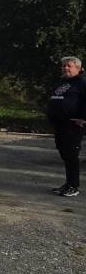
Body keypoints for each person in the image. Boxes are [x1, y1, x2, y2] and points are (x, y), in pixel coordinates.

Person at [46, 55, 86, 197]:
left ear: (78, 68)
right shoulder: (64, 81)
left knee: (71, 155)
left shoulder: (82, 82)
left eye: (69, 65)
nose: (65, 68)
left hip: (73, 125)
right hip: (60, 124)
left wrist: (84, 118)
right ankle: (68, 184)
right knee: (65, 154)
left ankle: (73, 187)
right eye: (64, 65)